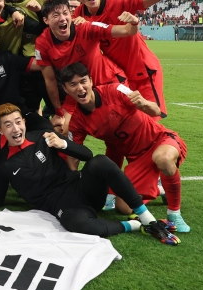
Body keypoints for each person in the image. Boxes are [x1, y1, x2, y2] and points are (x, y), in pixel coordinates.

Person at [0, 104, 180, 245]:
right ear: (0, 131)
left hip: (82, 188)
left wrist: (63, 144)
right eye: (7, 125)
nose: (15, 129)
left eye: (17, 122)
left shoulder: (43, 135)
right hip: (62, 206)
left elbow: (88, 155)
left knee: (100, 161)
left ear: (24, 122)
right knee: (77, 225)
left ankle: (147, 218)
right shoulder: (2, 164)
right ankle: (133, 226)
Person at [60, 63, 190, 232]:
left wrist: (143, 103)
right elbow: (74, 154)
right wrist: (72, 183)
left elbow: (156, 110)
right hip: (137, 159)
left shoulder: (117, 89)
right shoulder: (77, 121)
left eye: (83, 81)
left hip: (160, 140)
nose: (80, 88)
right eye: (73, 84)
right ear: (65, 89)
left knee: (163, 159)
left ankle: (174, 213)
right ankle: (159, 188)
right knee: (124, 207)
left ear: (91, 81)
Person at [71, 0, 174, 118]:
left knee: (149, 121)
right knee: (124, 121)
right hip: (118, 78)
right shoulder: (79, 13)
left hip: (143, 72)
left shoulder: (120, 2)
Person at [35, 0, 137, 131]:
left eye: (66, 13)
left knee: (125, 125)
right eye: (56, 15)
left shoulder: (85, 27)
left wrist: (134, 23)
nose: (62, 18)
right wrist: (59, 111)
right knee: (61, 128)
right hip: (79, 89)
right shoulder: (42, 43)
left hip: (110, 82)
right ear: (46, 20)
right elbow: (50, 80)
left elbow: (127, 31)